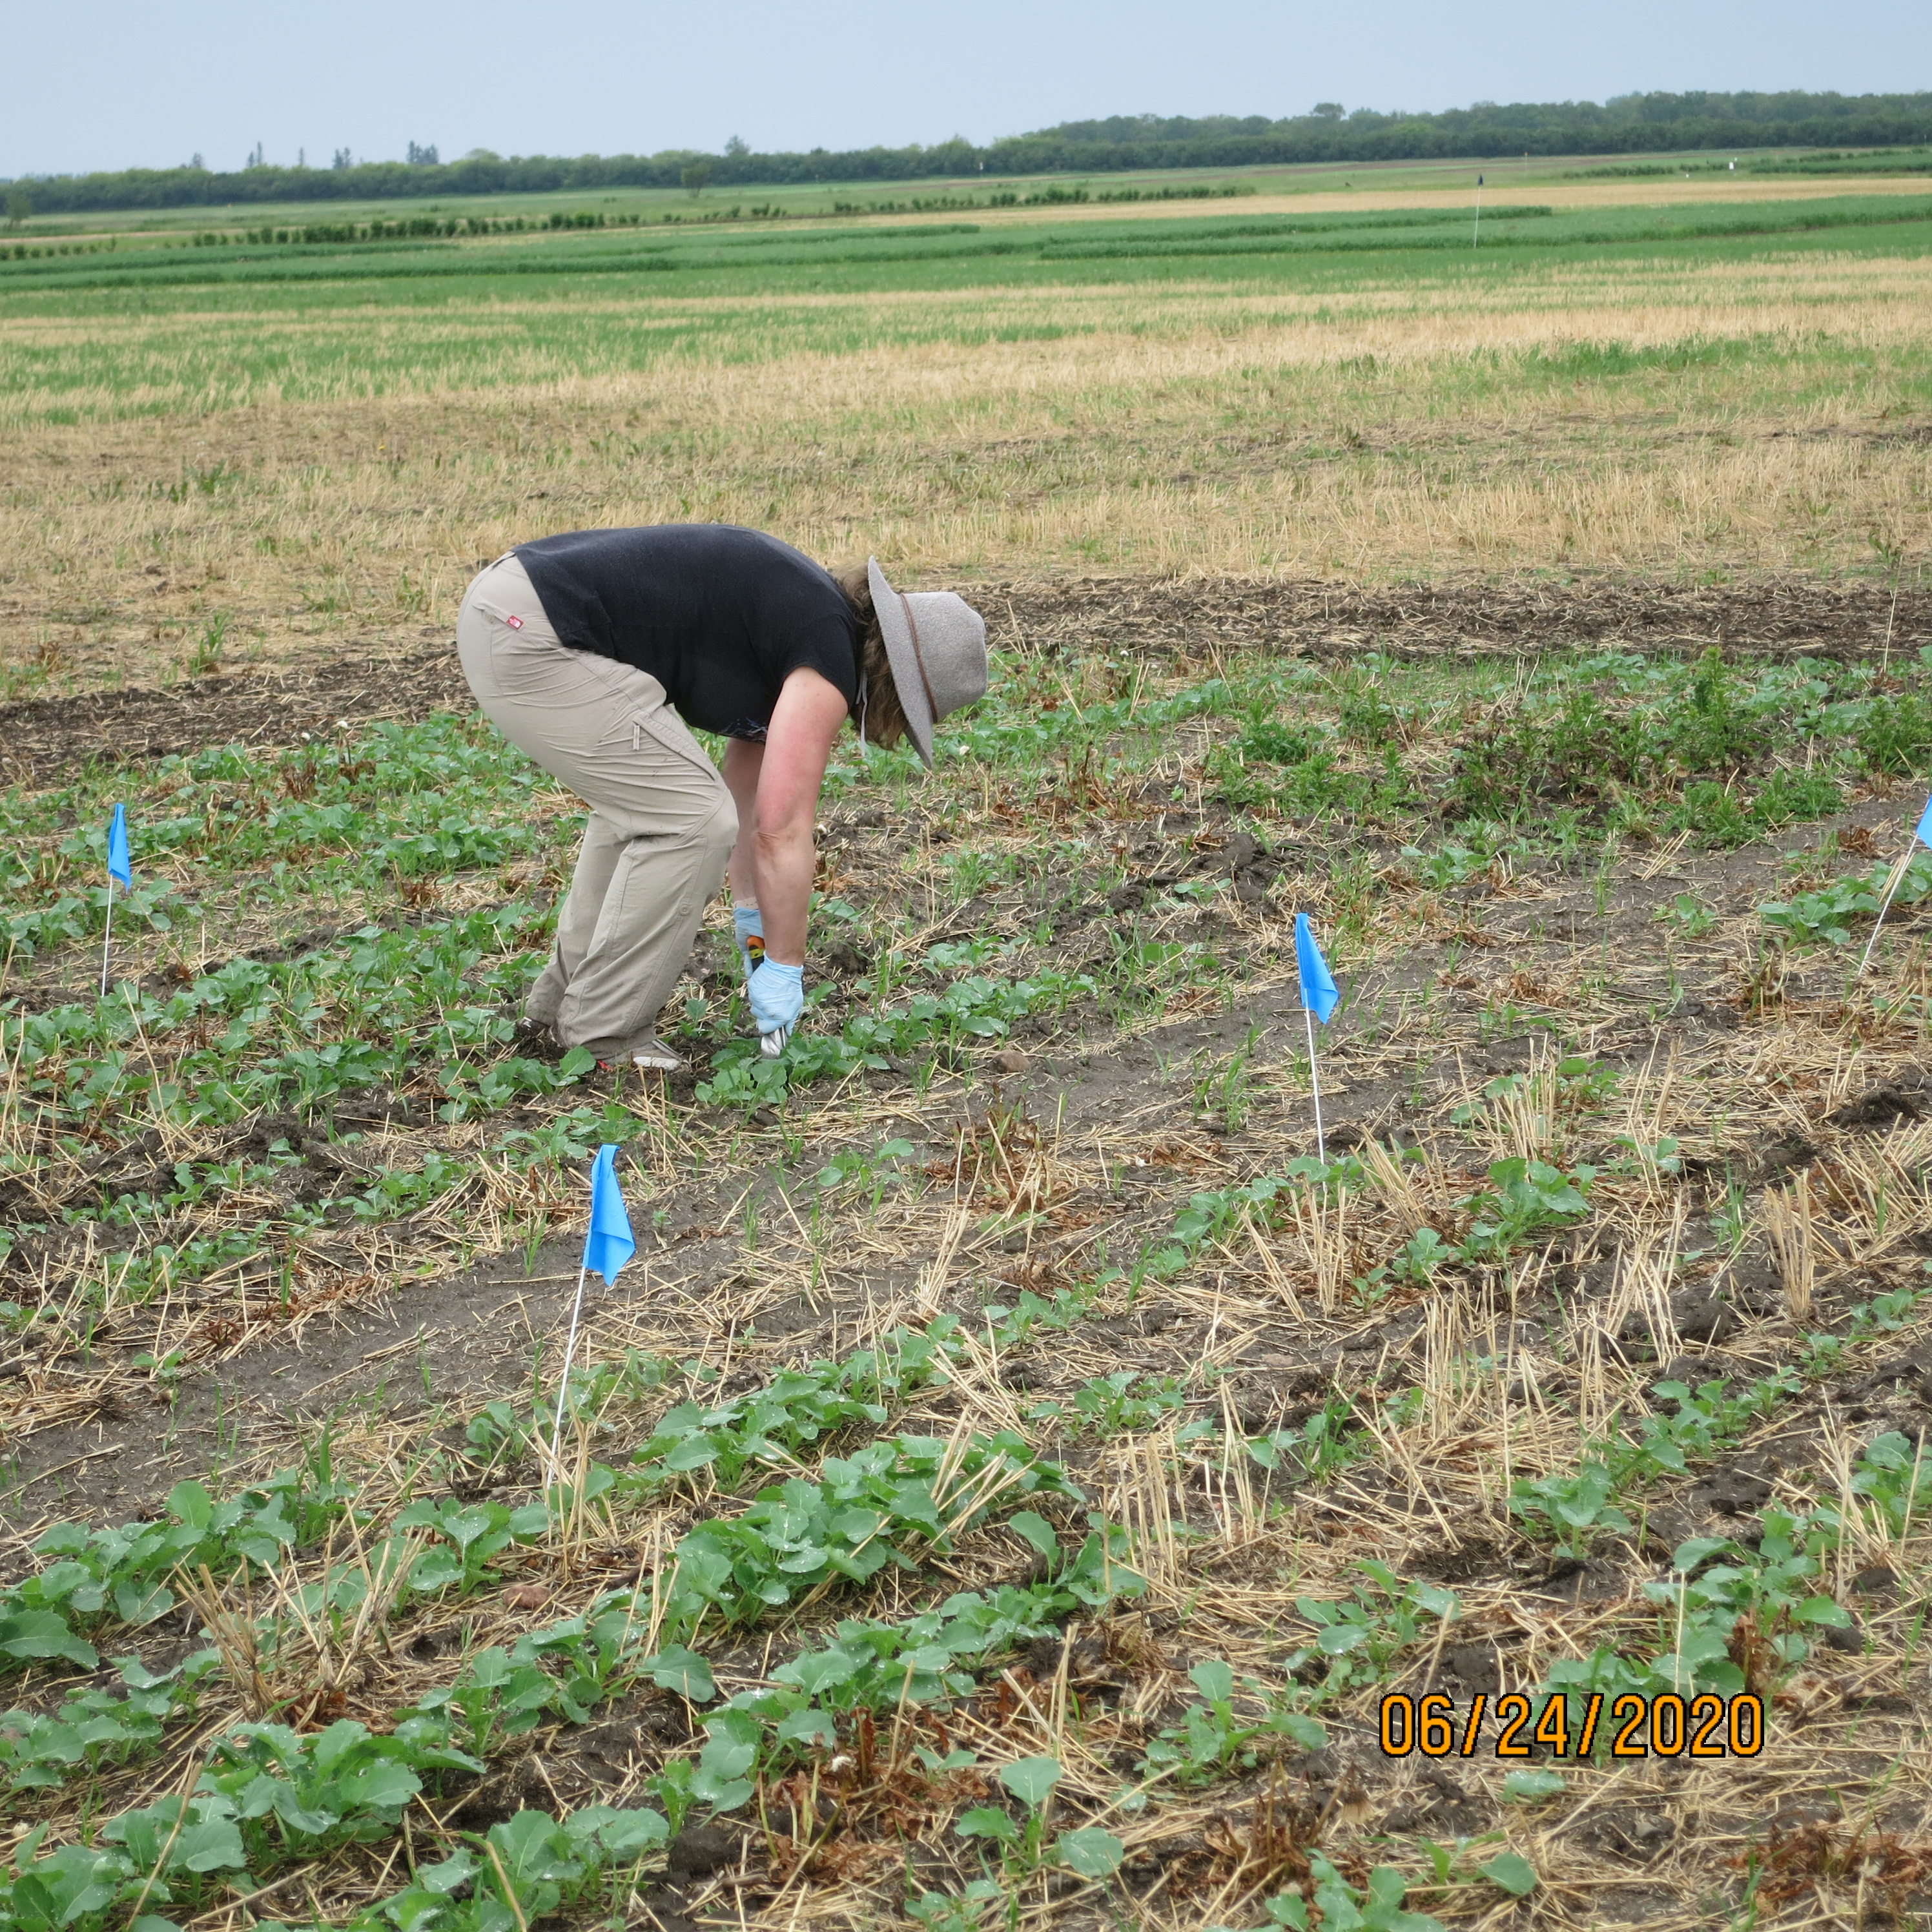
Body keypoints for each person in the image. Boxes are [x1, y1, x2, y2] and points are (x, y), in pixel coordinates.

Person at [455, 524, 987, 1071]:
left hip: (508, 607)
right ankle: (602, 1035)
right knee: (689, 820)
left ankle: (554, 1012)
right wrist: (785, 966)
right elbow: (781, 831)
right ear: (896, 682)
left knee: (654, 807)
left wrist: (752, 917)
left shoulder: (800, 624)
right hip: (537, 632)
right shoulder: (826, 657)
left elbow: (748, 798)